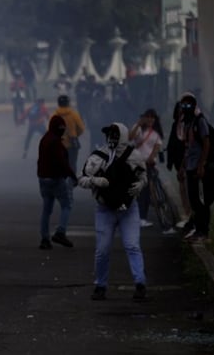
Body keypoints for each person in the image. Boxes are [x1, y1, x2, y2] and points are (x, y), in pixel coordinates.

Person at [78, 122, 148, 301]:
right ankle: (100, 285)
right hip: (105, 209)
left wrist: (140, 185)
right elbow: (82, 179)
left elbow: (143, 176)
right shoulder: (98, 156)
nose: (112, 139)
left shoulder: (134, 156)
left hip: (129, 209)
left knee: (132, 246)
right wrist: (95, 181)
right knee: (102, 250)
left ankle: (140, 284)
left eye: (115, 135)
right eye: (110, 135)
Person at [175, 93, 213, 242]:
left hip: (198, 167)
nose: (185, 108)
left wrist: (201, 165)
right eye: (183, 105)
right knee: (193, 201)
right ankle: (198, 230)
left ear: (194, 105)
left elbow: (206, 143)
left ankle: (204, 231)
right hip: (190, 167)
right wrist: (182, 167)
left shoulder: (200, 121)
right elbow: (188, 148)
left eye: (189, 105)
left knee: (200, 201)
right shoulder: (188, 123)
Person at [37, 114, 79, 249]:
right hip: (56, 179)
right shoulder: (55, 142)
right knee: (67, 205)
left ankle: (45, 239)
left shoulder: (44, 139)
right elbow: (62, 162)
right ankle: (60, 232)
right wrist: (73, 176)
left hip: (43, 179)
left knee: (46, 210)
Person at [130, 109, 164, 229]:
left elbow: (157, 146)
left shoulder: (156, 133)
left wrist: (151, 157)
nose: (150, 120)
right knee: (139, 191)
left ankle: (142, 217)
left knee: (145, 192)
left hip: (148, 164)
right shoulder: (138, 128)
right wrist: (138, 124)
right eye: (148, 117)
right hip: (137, 164)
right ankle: (137, 217)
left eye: (152, 117)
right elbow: (130, 137)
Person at [164, 101, 193, 227]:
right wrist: (170, 162)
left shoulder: (190, 124)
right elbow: (171, 143)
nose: (181, 113)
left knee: (189, 188)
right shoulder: (175, 125)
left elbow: (189, 146)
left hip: (188, 161)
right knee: (182, 188)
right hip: (178, 161)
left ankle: (191, 215)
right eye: (179, 110)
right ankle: (187, 214)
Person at [53, 95, 86, 174]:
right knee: (72, 163)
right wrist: (75, 134)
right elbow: (81, 128)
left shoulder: (54, 115)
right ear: (68, 103)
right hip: (72, 143)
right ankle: (70, 182)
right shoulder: (74, 114)